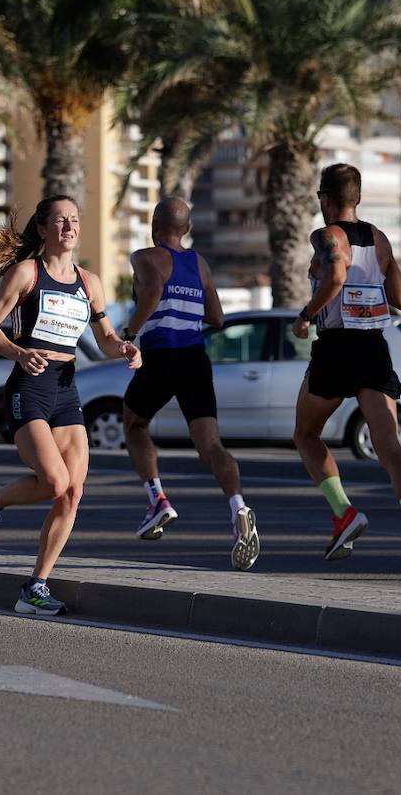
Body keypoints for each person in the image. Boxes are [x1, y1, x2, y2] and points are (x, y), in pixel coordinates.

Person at [0, 194, 141, 615]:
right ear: (42, 229)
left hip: (66, 389)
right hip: (30, 386)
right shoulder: (27, 273)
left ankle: (35, 587)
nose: (68, 227)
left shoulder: (89, 282)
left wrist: (126, 349)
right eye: (59, 221)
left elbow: (105, 339)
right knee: (55, 481)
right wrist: (19, 353)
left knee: (73, 493)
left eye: (74, 220)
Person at [291, 163, 401, 588]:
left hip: (337, 347)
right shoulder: (380, 238)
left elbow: (335, 274)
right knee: (390, 450)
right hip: (374, 347)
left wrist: (306, 314)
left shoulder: (327, 235)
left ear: (325, 198)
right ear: (358, 197)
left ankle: (345, 512)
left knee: (306, 434)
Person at [119, 197, 256, 570]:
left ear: (153, 225)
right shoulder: (199, 263)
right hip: (195, 358)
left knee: (133, 423)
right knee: (211, 445)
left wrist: (130, 332)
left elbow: (151, 293)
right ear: (188, 229)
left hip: (162, 355)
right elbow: (218, 317)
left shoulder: (144, 257)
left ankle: (157, 499)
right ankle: (238, 507)